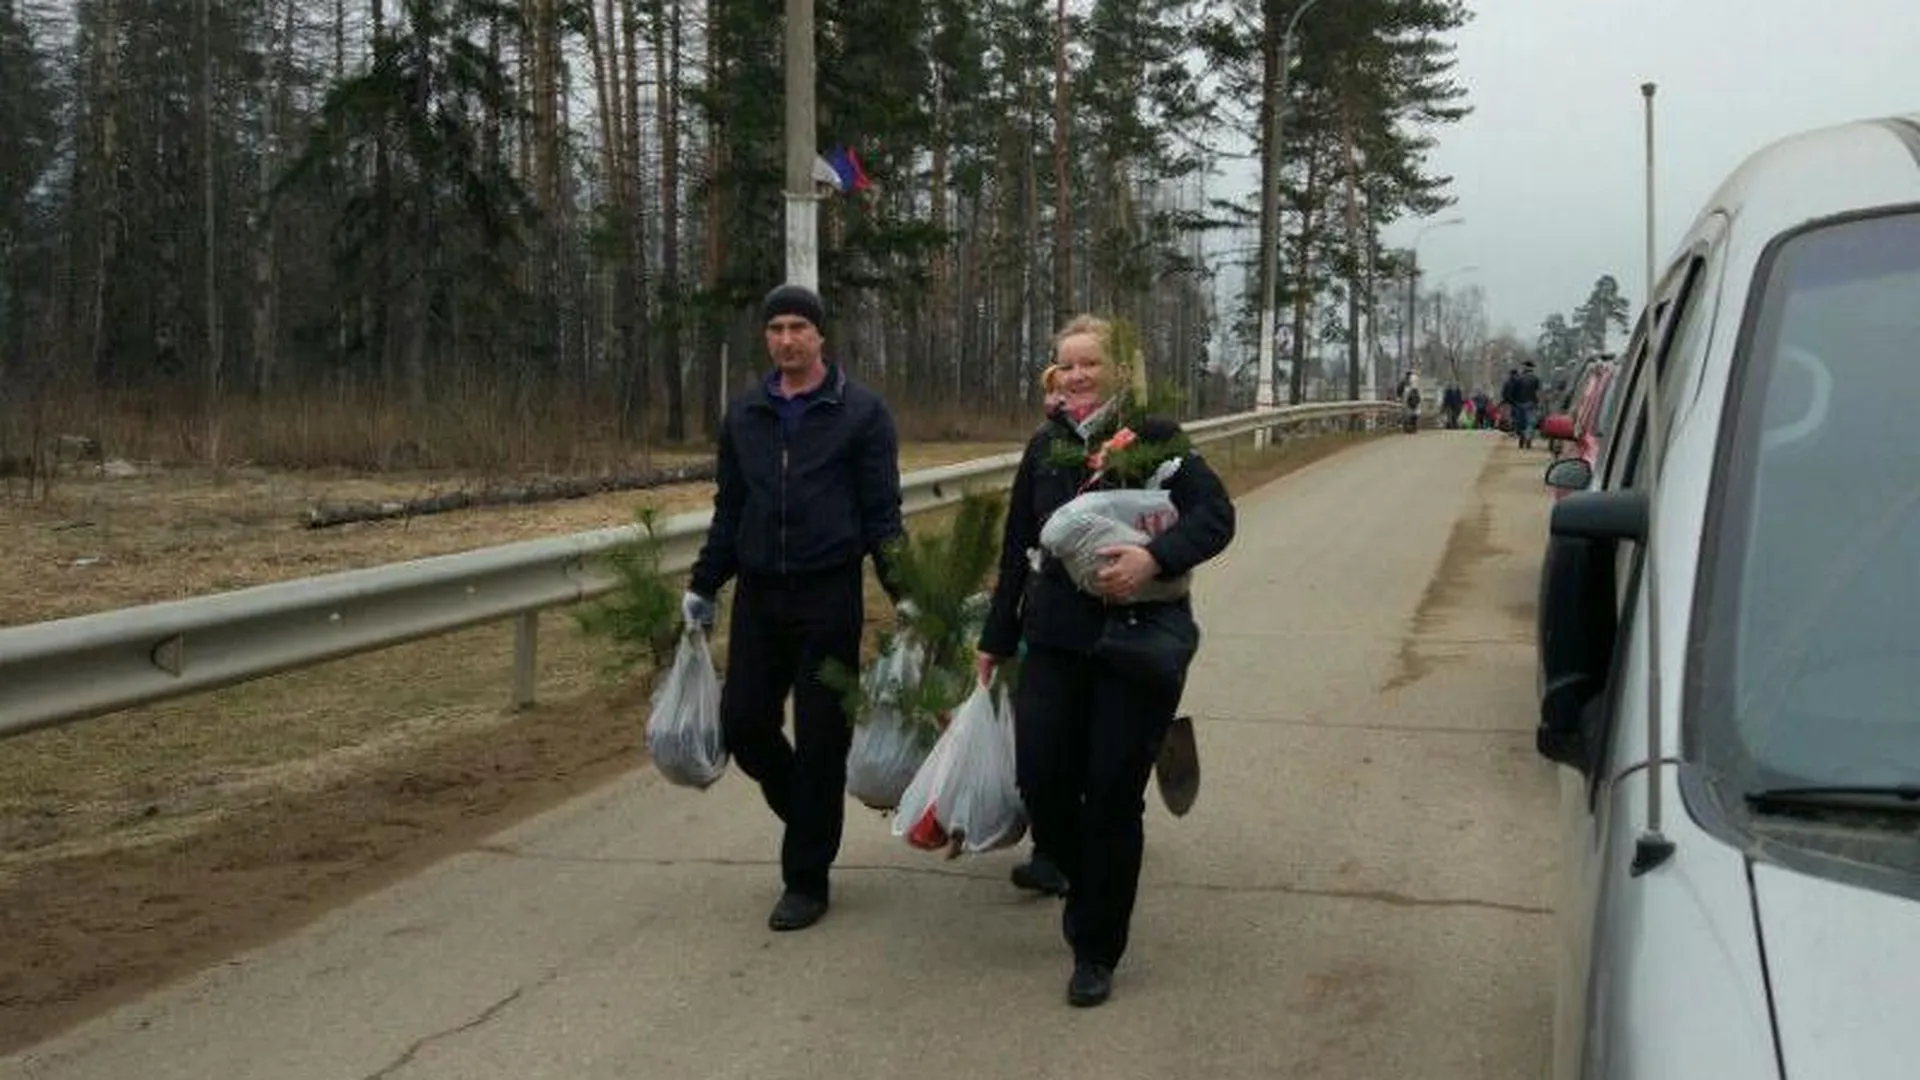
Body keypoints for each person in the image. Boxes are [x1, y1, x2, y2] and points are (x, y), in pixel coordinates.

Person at [976, 314, 1236, 1007]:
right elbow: (1015, 549)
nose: (1078, 375)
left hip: (1136, 645)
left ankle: (1094, 947)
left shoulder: (1156, 439)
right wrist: (997, 637)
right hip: (1057, 641)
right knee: (1044, 781)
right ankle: (1065, 863)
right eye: (1067, 364)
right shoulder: (1047, 447)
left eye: (1091, 362)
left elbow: (1215, 519)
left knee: (1112, 800)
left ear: (1119, 370)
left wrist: (1156, 556)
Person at [684, 283, 906, 933]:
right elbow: (732, 509)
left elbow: (882, 516)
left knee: (820, 740)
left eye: (797, 328)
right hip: (760, 596)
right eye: (775, 328)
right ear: (766, 337)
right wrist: (704, 585)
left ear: (820, 337)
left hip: (828, 596)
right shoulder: (746, 413)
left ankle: (805, 879)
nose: (786, 339)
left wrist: (907, 594)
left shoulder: (860, 413)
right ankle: (812, 820)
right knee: (745, 724)